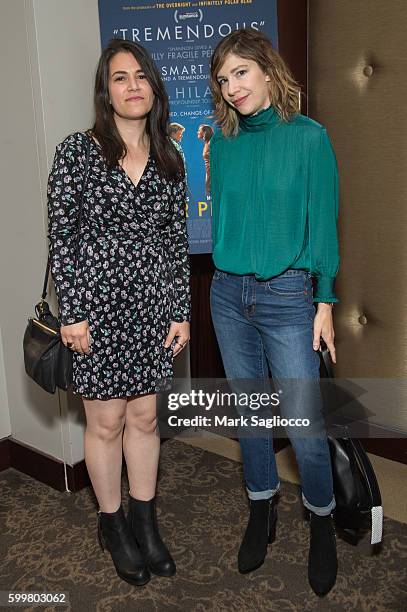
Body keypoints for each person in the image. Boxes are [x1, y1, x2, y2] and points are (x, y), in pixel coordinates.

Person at [47, 39, 190, 587]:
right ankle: (112, 524)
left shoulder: (171, 158)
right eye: (120, 78)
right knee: (105, 423)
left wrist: (179, 311)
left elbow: (175, 243)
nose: (133, 86)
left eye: (141, 77)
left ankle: (144, 520)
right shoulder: (77, 152)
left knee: (146, 418)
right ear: (105, 92)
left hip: (153, 314)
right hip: (96, 314)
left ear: (154, 87)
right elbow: (63, 237)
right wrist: (74, 313)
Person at [209, 28, 339, 596]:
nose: (232, 86)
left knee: (305, 426)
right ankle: (262, 508)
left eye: (241, 72)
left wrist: (325, 299)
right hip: (227, 295)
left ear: (267, 70)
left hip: (289, 295)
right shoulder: (223, 141)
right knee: (251, 420)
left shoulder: (310, 138)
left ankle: (322, 519)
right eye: (223, 79)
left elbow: (324, 223)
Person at [197, 124, 214, 197]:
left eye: (199, 130)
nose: (197, 132)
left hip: (214, 178)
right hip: (209, 176)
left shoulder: (212, 143)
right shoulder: (207, 143)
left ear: (204, 132)